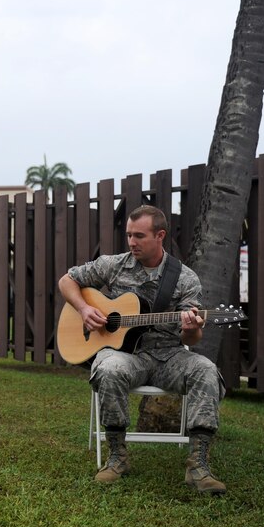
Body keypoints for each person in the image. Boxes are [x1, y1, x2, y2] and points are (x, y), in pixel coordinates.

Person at [57, 205, 226, 495]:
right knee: (108, 368)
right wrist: (85, 309)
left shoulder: (185, 279)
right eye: (128, 235)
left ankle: (198, 465)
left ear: (160, 236)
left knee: (206, 371)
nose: (132, 242)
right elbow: (67, 280)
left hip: (169, 356)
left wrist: (190, 327)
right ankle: (117, 456)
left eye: (139, 236)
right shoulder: (114, 264)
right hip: (126, 356)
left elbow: (193, 338)